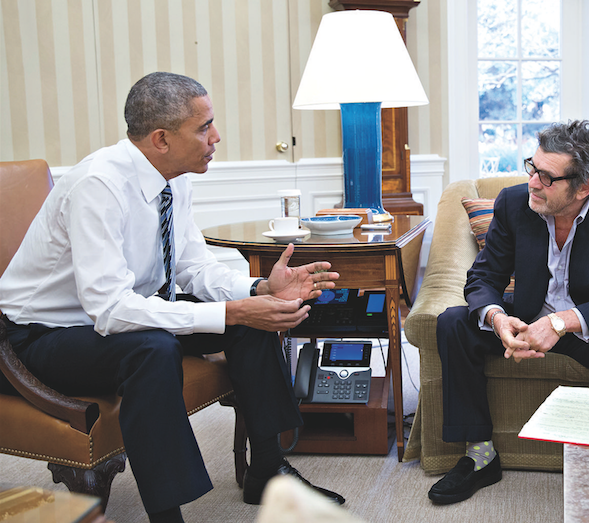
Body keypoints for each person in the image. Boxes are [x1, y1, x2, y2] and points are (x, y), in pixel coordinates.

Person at [0, 72, 345, 523]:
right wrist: (231, 310)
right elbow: (108, 309)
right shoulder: (97, 186)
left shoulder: (172, 177)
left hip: (117, 317)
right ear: (161, 138)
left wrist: (257, 292)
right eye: (204, 127)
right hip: (40, 338)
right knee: (155, 347)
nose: (216, 137)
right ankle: (167, 515)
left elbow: (193, 266)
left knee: (248, 320)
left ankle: (268, 469)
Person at [428, 120, 589, 504]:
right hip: (524, 322)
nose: (533, 183)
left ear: (585, 187)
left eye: (547, 177)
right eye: (532, 167)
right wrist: (497, 318)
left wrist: (559, 323)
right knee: (454, 321)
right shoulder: (513, 203)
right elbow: (484, 277)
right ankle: (480, 456)